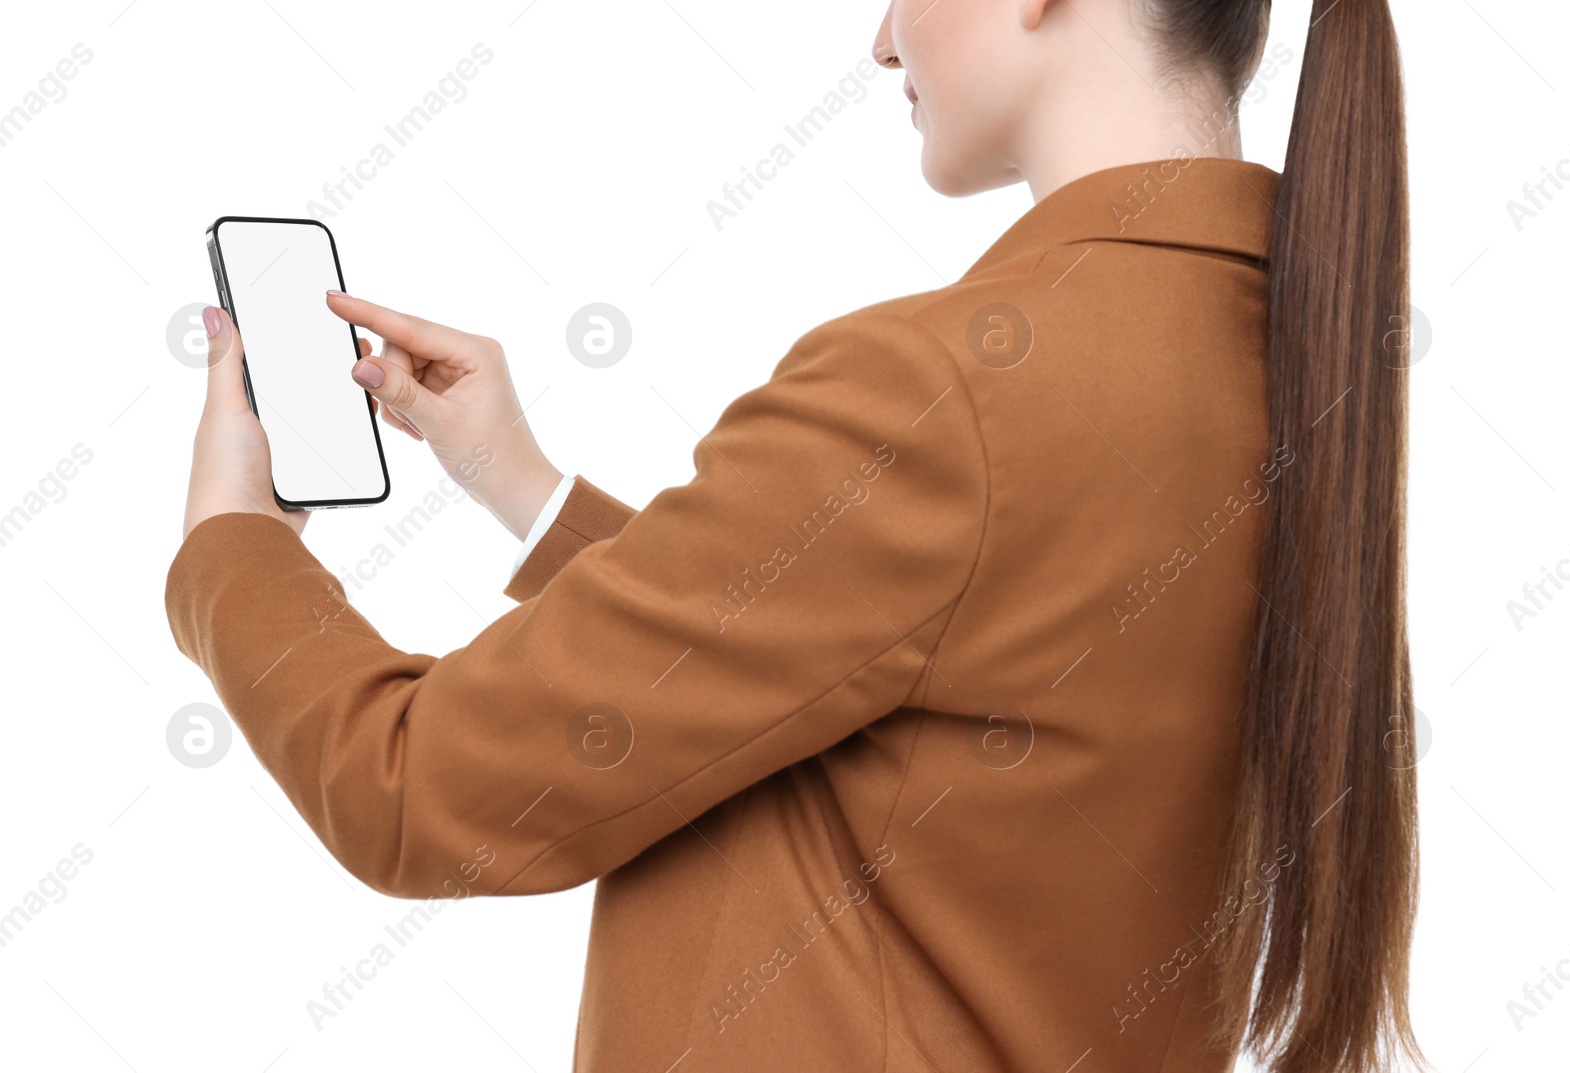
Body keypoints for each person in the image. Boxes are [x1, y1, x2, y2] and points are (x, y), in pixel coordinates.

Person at [167, 0, 1423, 1070]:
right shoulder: (1285, 355)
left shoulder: (944, 387)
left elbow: (417, 788)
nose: (881, 42)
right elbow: (867, 662)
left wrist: (231, 541)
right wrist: (525, 486)